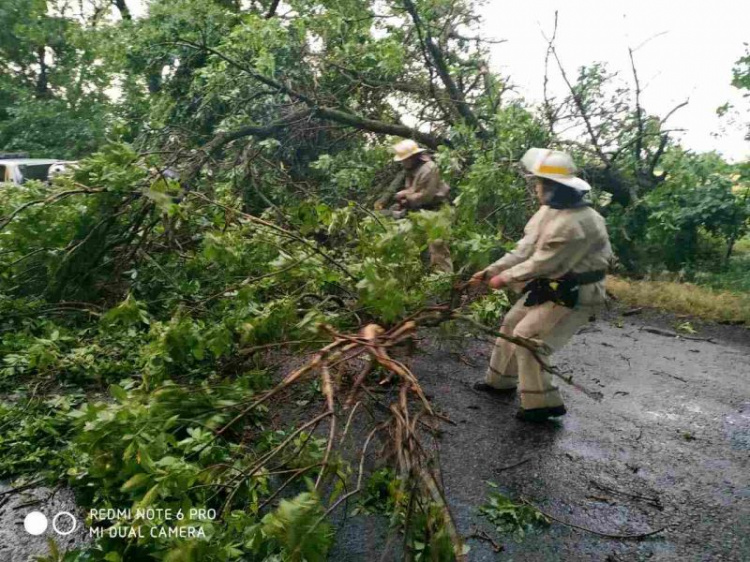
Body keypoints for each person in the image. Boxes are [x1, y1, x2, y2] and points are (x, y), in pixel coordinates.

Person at [468, 148, 613, 422]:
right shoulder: (549, 212)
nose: (536, 188)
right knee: (511, 323)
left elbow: (543, 263)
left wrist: (504, 279)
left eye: (540, 183)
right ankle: (500, 382)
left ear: (554, 187)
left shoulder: (580, 222)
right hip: (552, 287)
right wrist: (491, 270)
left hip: (577, 293)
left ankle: (542, 404)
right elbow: (524, 249)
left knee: (528, 337)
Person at [376, 139, 453, 272]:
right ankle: (427, 278)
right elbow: (413, 189)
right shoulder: (412, 169)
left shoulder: (428, 169)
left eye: (404, 159)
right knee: (419, 247)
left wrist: (407, 199)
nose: (403, 162)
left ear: (412, 157)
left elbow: (426, 195)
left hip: (436, 212)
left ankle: (444, 279)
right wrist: (402, 195)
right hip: (422, 212)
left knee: (437, 247)